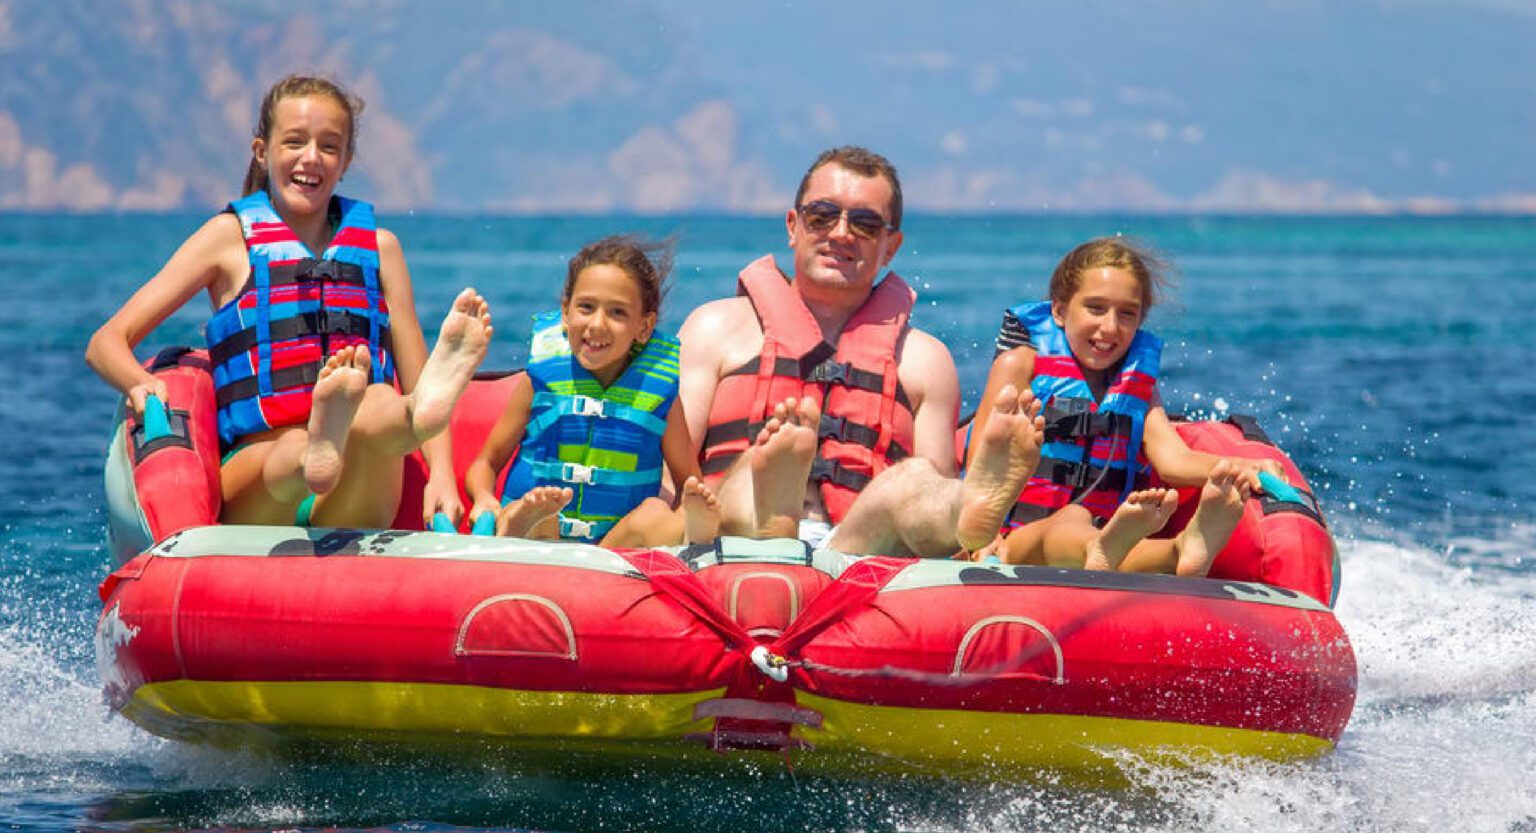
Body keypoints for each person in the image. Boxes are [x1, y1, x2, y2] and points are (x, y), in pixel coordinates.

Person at [86, 74, 491, 530]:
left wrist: (441, 475)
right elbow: (106, 342)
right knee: (292, 453)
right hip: (264, 481)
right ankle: (318, 447)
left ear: (346, 162)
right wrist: (138, 383)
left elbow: (418, 375)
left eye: (329, 147)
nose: (311, 158)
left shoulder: (382, 250)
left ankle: (410, 419)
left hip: (356, 488)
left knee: (380, 400)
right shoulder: (227, 239)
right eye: (295, 142)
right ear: (262, 151)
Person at [827, 236, 1280, 575]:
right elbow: (982, 457)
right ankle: (1119, 550)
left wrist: (1242, 466)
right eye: (1096, 308)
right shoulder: (1021, 364)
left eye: (1127, 314)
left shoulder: (1138, 386)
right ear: (1060, 311)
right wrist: (974, 538)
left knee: (1088, 529)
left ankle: (1184, 549)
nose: (1110, 327)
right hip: (1011, 540)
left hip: (1098, 529)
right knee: (1068, 525)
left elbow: (1172, 458)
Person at [601, 146, 962, 548]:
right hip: (731, 537)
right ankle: (773, 514)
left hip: (858, 549)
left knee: (913, 482)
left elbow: (929, 505)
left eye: (864, 224)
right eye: (822, 216)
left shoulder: (925, 361)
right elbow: (670, 479)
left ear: (890, 246)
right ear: (793, 226)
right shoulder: (715, 329)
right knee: (750, 472)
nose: (841, 232)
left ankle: (976, 501)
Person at [464, 237, 719, 545]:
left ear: (644, 326)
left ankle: (686, 532)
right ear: (565, 312)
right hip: (541, 531)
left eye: (617, 313)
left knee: (654, 512)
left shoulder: (660, 395)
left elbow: (688, 482)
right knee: (533, 510)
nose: (597, 324)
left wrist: (690, 509)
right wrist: (482, 498)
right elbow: (485, 464)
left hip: (613, 546)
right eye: (586, 307)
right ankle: (527, 523)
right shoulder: (540, 380)